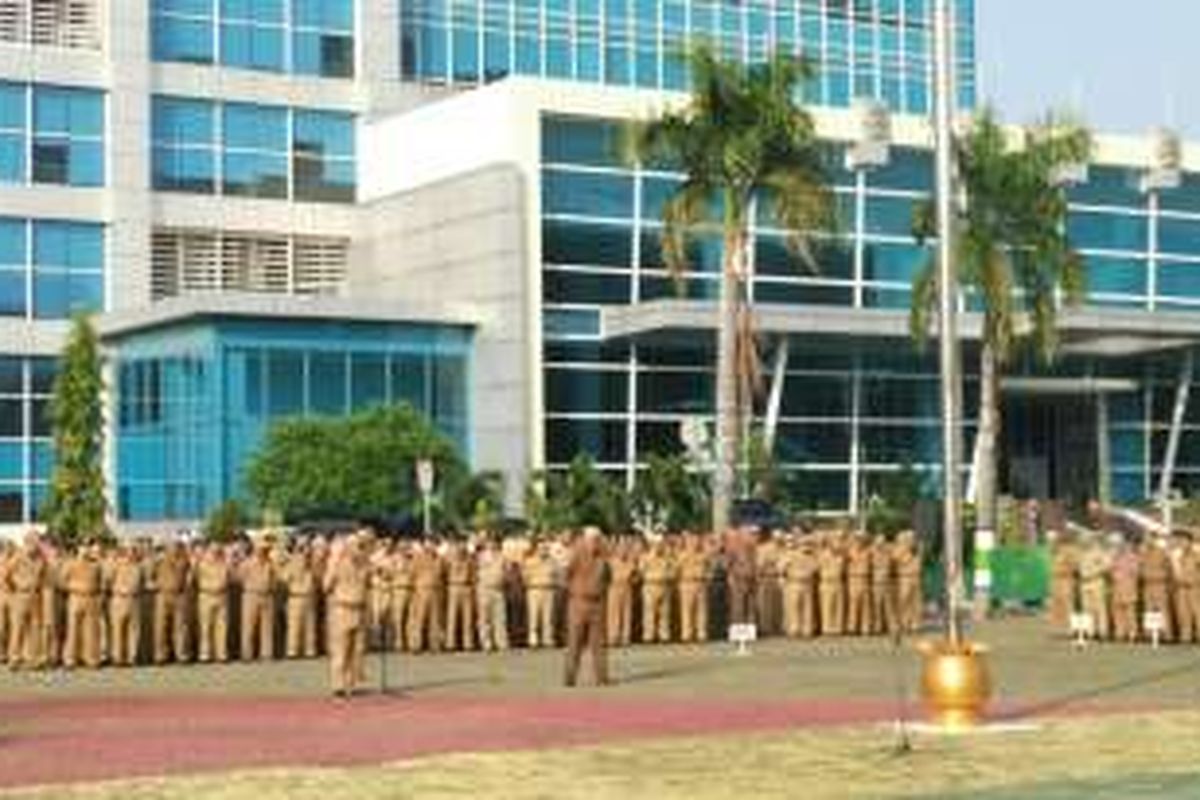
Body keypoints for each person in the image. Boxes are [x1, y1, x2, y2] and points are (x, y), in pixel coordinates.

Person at [325, 534, 371, 698]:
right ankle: (338, 686)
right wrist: (334, 563)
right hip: (342, 609)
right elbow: (326, 586)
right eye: (357, 546)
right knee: (341, 650)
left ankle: (350, 685)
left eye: (361, 546)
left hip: (360, 610)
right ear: (347, 548)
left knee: (357, 651)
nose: (360, 549)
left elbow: (374, 581)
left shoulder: (365, 566)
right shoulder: (337, 565)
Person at [563, 528, 610, 687]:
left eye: (597, 539)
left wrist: (599, 591)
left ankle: (601, 678)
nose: (596, 542)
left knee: (599, 643)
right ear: (585, 540)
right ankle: (570, 677)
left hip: (597, 604)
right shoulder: (576, 555)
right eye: (593, 539)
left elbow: (608, 578)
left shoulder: (603, 557)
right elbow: (566, 575)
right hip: (578, 603)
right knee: (575, 642)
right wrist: (575, 591)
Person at [62, 543, 103, 669]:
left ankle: (91, 659)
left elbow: (100, 582)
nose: (85, 549)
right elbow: (62, 581)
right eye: (83, 546)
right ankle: (70, 659)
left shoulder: (96, 566)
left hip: (91, 599)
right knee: (73, 630)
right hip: (75, 597)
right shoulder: (70, 564)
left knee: (91, 630)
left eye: (87, 547)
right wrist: (75, 587)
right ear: (78, 549)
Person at [152, 542, 192, 664]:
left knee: (180, 626)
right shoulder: (159, 561)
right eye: (171, 548)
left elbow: (188, 575)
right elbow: (150, 576)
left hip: (179, 595)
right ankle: (160, 655)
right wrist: (158, 585)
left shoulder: (184, 561)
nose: (174, 550)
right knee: (161, 626)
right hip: (163, 595)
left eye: (177, 548)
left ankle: (181, 655)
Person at [238, 540, 277, 661]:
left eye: (267, 550)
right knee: (248, 626)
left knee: (267, 627)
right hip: (251, 595)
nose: (265, 552)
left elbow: (275, 579)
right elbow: (240, 577)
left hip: (267, 596)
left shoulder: (270, 564)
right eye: (262, 549)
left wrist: (271, 588)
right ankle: (247, 654)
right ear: (256, 550)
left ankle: (266, 653)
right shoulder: (247, 563)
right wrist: (250, 587)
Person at [108, 544, 145, 667]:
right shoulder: (116, 566)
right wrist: (118, 590)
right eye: (129, 551)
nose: (131, 554)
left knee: (134, 630)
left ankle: (131, 657)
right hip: (119, 599)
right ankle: (118, 657)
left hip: (134, 600)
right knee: (118, 629)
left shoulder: (139, 568)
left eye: (133, 552)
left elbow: (142, 583)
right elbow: (108, 581)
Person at [196, 543, 231, 663]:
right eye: (213, 551)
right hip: (206, 596)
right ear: (209, 551)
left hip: (221, 597)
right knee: (206, 627)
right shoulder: (202, 565)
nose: (216, 553)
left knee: (222, 627)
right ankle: (205, 654)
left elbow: (227, 579)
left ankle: (221, 654)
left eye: (218, 551)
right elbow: (197, 579)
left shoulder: (224, 564)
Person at [475, 537, 509, 652]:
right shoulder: (480, 556)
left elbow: (507, 572)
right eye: (490, 542)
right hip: (484, 589)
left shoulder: (502, 557)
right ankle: (486, 643)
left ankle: (501, 642)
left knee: (500, 618)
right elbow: (474, 572)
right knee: (484, 618)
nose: (492, 544)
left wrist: (504, 581)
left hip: (498, 590)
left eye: (495, 542)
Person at [523, 540, 557, 648]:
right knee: (534, 616)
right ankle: (533, 640)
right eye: (541, 548)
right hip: (534, 590)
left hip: (549, 590)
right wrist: (531, 585)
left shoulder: (552, 561)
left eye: (545, 549)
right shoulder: (530, 561)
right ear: (536, 549)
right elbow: (525, 577)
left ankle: (548, 639)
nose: (543, 551)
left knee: (548, 617)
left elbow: (556, 575)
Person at [677, 533, 710, 643]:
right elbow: (677, 569)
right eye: (692, 541)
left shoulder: (703, 555)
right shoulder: (682, 555)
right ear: (687, 542)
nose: (695, 544)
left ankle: (701, 633)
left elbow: (708, 568)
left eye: (697, 541)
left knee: (701, 611)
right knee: (687, 610)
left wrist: (706, 577)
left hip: (700, 583)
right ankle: (686, 634)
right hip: (687, 583)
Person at [444, 541, 477, 651]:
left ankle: (468, 643)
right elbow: (444, 573)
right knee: (452, 616)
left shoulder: (469, 560)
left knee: (467, 617)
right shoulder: (449, 560)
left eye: (463, 546)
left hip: (466, 587)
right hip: (453, 587)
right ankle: (450, 643)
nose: (461, 548)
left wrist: (472, 588)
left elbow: (473, 575)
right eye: (459, 546)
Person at [1110, 537, 1141, 643]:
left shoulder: (1132, 557)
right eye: (1118, 545)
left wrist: (1123, 575)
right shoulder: (1115, 557)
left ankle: (1132, 634)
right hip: (1117, 587)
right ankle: (1120, 633)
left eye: (1122, 545)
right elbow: (1111, 570)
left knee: (1130, 612)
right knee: (1117, 611)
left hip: (1128, 586)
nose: (1119, 547)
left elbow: (1135, 572)